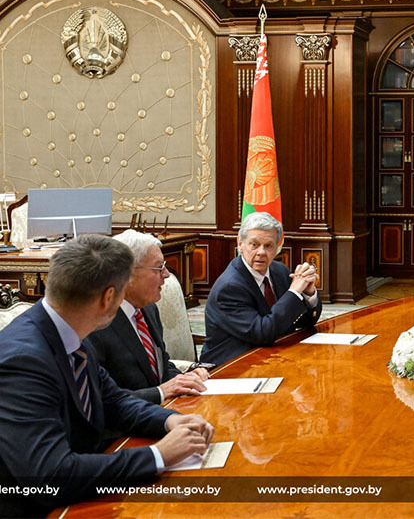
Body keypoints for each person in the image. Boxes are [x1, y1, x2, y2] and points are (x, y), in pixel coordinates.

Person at [0, 235, 214, 516]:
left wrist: (170, 420)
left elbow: (113, 399)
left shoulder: (71, 329)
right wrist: (157, 455)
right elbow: (51, 475)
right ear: (109, 297)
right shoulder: (23, 362)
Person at [87, 230, 208, 404]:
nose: (166, 274)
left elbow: (161, 365)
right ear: (127, 274)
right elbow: (101, 400)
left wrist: (185, 379)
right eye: (159, 267)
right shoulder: (96, 323)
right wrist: (159, 393)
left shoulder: (148, 308)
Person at [202, 212, 322, 365]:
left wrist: (307, 293)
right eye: (254, 245)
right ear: (240, 244)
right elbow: (262, 333)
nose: (261, 252)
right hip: (232, 364)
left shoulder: (280, 271)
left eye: (268, 246)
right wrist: (294, 293)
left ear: (277, 247)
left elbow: (303, 322)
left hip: (272, 355)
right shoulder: (229, 287)